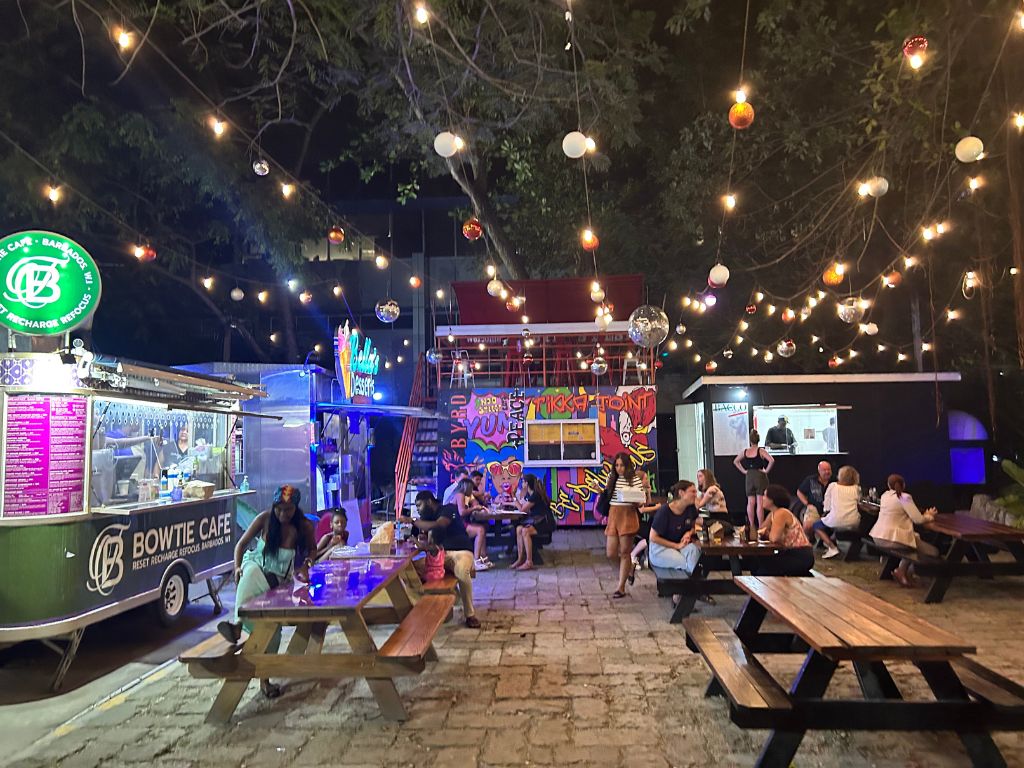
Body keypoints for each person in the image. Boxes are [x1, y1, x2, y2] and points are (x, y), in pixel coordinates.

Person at [217, 485, 317, 698]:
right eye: (278, 509)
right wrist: (236, 567)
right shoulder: (264, 519)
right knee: (250, 573)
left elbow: (313, 549)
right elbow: (241, 545)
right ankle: (236, 625)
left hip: (279, 584)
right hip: (255, 567)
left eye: (287, 510)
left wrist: (307, 564)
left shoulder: (304, 526)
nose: (282, 514)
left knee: (271, 629)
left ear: (296, 508)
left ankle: (265, 679)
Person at [401, 491, 481, 628]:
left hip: (460, 552)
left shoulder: (448, 509)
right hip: (440, 556)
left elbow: (440, 524)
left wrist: (413, 521)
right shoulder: (429, 520)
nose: (418, 510)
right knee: (407, 570)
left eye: (419, 506)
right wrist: (418, 542)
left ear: (429, 502)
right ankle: (420, 608)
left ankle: (470, 614)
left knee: (462, 571)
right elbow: (432, 547)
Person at [868, 474, 940, 587]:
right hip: (893, 539)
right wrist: (930, 516)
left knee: (914, 543)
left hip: (878, 536)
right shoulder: (904, 497)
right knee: (933, 552)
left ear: (888, 485)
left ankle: (904, 571)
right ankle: (903, 571)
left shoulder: (885, 496)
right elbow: (918, 519)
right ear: (904, 484)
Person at [599, 452, 650, 599]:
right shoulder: (612, 478)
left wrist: (634, 499)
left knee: (625, 552)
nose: (619, 468)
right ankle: (629, 568)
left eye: (621, 465)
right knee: (611, 552)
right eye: (616, 465)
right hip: (614, 514)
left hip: (628, 513)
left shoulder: (634, 479)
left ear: (627, 465)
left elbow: (641, 501)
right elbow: (608, 495)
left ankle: (620, 587)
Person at [753, 485, 815, 576]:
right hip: (790, 553)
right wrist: (764, 532)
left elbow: (774, 538)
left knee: (762, 566)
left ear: (773, 499)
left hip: (799, 556)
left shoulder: (781, 513)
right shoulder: (773, 513)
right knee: (758, 561)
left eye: (765, 495)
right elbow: (760, 531)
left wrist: (766, 533)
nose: (762, 498)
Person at [648, 481, 701, 582]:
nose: (696, 495)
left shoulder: (690, 508)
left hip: (681, 544)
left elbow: (695, 526)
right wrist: (676, 546)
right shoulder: (664, 511)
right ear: (681, 493)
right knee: (685, 563)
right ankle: (686, 589)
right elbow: (653, 537)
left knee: (695, 552)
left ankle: (686, 589)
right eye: (693, 492)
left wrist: (689, 533)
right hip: (661, 548)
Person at [812, 465, 861, 559]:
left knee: (816, 525)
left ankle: (832, 547)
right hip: (854, 522)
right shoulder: (856, 488)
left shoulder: (833, 486)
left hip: (835, 520)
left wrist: (825, 514)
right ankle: (833, 542)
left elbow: (826, 507)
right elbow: (858, 503)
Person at [511, 473, 556, 570]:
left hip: (545, 522)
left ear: (527, 484)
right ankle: (520, 559)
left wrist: (514, 497)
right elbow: (525, 507)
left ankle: (529, 561)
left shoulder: (535, 495)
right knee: (518, 529)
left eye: (523, 482)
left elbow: (522, 509)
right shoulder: (530, 494)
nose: (521, 484)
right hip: (537, 521)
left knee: (525, 531)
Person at [733, 430, 774, 532]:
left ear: (750, 440)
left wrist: (744, 471)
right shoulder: (760, 451)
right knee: (759, 502)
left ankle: (752, 526)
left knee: (750, 502)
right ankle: (760, 527)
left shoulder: (745, 451)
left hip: (749, 477)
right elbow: (772, 460)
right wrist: (766, 471)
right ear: (758, 440)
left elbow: (736, 461)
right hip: (759, 475)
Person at [454, 477, 493, 570]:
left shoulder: (468, 495)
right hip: (457, 523)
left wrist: (478, 506)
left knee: (482, 528)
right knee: (480, 530)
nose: (472, 490)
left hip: (463, 522)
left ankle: (483, 558)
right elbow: (462, 512)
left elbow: (475, 503)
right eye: (471, 487)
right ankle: (476, 561)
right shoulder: (460, 495)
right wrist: (474, 508)